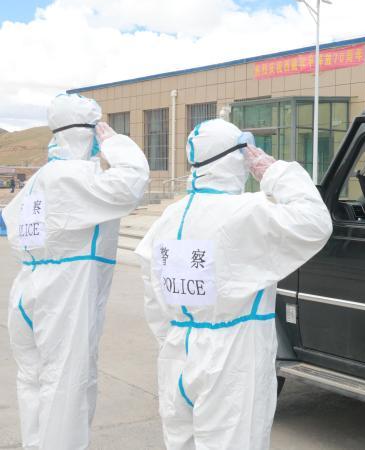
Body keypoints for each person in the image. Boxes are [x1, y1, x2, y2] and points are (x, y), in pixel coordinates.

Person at [135, 119, 332, 450]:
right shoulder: (247, 212)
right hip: (231, 357)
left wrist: (173, 338)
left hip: (177, 353)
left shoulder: (169, 217)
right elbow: (315, 222)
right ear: (237, 158)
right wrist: (275, 172)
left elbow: (152, 295)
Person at [2, 93, 150, 450]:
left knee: (34, 381)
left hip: (29, 288)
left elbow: (10, 224)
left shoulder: (40, 179)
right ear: (89, 132)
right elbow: (131, 182)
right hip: (64, 293)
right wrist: (116, 143)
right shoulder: (76, 176)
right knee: (65, 386)